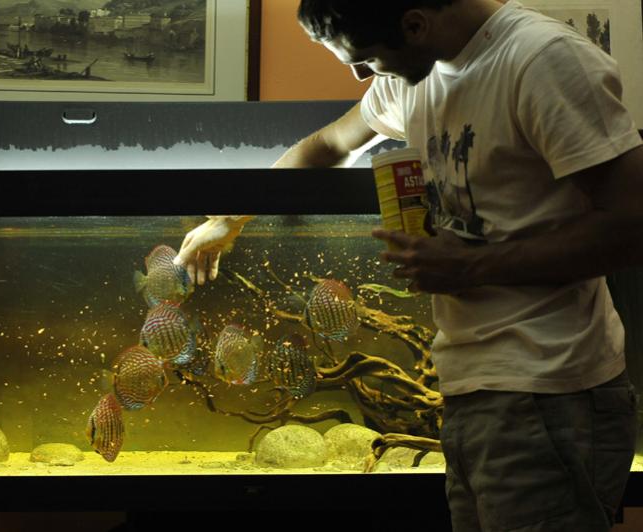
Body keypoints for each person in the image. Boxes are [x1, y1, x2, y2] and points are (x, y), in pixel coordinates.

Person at [174, 1, 643, 530]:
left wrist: (473, 267)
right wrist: (230, 218)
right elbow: (329, 145)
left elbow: (633, 225)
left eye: (365, 58)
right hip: (469, 388)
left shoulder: (544, 61)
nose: (360, 75)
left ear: (415, 25)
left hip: (550, 390)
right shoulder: (415, 75)